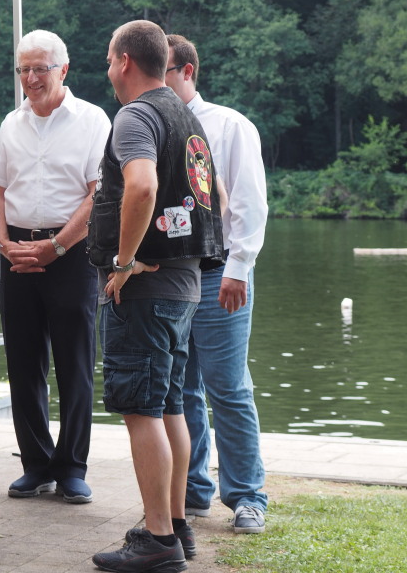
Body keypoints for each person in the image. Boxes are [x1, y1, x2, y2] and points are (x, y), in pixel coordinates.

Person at [88, 20, 224, 573]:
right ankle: (176, 525)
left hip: (144, 290)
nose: (107, 68)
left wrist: (123, 263)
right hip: (184, 285)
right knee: (169, 406)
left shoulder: (136, 115)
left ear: (124, 60)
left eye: (108, 58)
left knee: (141, 410)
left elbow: (141, 185)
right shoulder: (185, 116)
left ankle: (158, 541)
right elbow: (205, 196)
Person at [0, 30, 110, 504]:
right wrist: (2, 243)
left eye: (41, 68)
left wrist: (56, 247)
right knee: (22, 362)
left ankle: (72, 467)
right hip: (17, 251)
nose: (32, 78)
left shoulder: (93, 120)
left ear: (64, 69)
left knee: (75, 363)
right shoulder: (11, 123)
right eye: (24, 70)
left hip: (72, 252)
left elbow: (99, 194)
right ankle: (36, 464)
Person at [165, 34, 269, 533]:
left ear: (187, 71)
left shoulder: (229, 125)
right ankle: (192, 489)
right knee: (180, 389)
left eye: (163, 71)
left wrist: (238, 268)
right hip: (170, 273)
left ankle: (247, 496)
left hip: (218, 272)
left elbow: (249, 203)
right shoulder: (151, 124)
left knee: (227, 387)